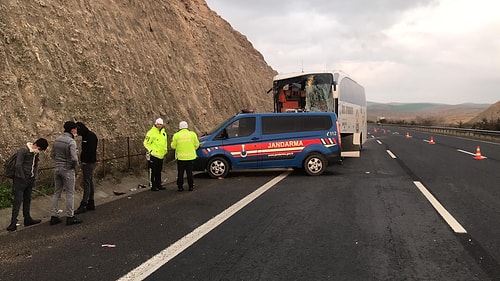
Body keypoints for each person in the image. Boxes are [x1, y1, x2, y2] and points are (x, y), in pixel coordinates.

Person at [6, 138, 49, 231]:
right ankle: (13, 222)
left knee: (27, 200)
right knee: (17, 201)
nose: (39, 151)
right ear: (36, 145)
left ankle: (27, 218)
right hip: (20, 180)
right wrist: (22, 177)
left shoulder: (35, 153)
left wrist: (34, 177)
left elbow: (36, 165)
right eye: (40, 149)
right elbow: (18, 165)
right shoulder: (24, 150)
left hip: (30, 179)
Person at [50, 121, 82, 226]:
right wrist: (73, 166)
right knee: (69, 193)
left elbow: (52, 155)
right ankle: (70, 216)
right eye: (76, 129)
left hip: (57, 168)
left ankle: (53, 216)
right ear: (72, 130)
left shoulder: (57, 139)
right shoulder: (71, 142)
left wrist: (59, 161)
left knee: (56, 193)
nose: (76, 131)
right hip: (67, 170)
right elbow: (74, 158)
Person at [74, 122, 98, 214]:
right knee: (90, 181)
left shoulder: (90, 136)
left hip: (88, 163)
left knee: (86, 182)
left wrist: (85, 161)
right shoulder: (86, 136)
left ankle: (84, 203)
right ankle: (90, 202)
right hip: (88, 162)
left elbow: (91, 151)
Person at [171, 121, 199, 191]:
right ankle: (191, 186)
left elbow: (173, 146)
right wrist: (192, 149)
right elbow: (197, 144)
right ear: (187, 126)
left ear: (180, 127)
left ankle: (180, 187)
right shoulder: (192, 134)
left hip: (181, 157)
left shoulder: (176, 135)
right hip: (191, 157)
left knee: (180, 173)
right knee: (189, 172)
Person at [143, 118, 168, 191]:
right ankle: (153, 186)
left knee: (158, 171)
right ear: (155, 124)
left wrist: (165, 150)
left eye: (160, 124)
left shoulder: (164, 133)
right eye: (158, 124)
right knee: (153, 171)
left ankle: (158, 184)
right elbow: (146, 143)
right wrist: (150, 150)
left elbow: (165, 143)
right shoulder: (151, 132)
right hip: (153, 155)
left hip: (161, 155)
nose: (159, 125)